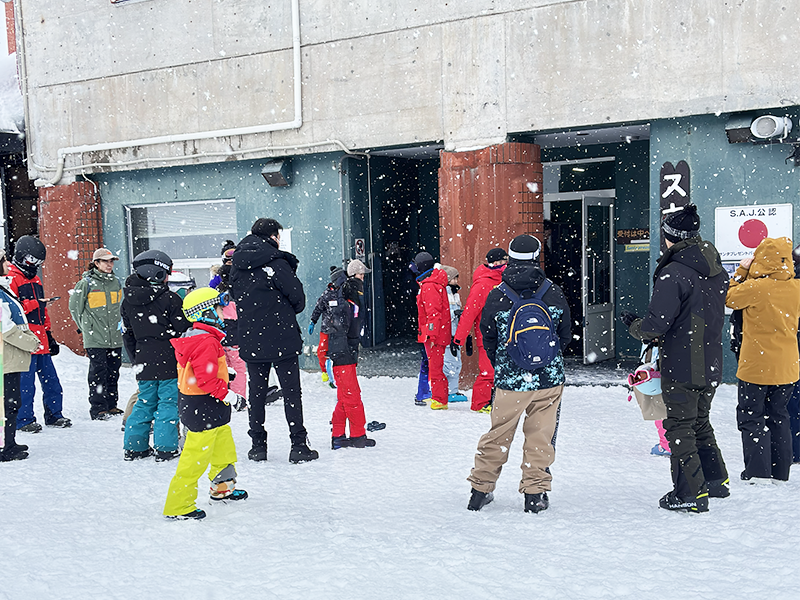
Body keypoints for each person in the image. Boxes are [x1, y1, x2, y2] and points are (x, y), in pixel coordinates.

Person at [621, 204, 729, 513]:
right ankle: (715, 481)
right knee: (700, 422)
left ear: (669, 237)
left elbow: (656, 325)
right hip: (710, 360)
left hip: (683, 363)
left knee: (679, 427)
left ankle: (689, 494)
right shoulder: (715, 269)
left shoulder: (674, 273)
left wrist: (635, 325)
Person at [467, 234, 571, 513]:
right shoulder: (553, 291)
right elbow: (565, 335)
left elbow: (488, 337)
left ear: (510, 258)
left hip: (510, 381)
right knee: (540, 435)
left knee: (498, 434)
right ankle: (534, 495)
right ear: (537, 257)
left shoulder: (498, 294)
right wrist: (544, 359)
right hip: (549, 379)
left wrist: (505, 363)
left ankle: (479, 491)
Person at [230, 218, 318, 464]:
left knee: (256, 394)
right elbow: (298, 298)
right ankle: (298, 445)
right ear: (273, 236)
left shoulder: (238, 264)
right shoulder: (277, 263)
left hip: (251, 338)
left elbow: (236, 296)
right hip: (282, 338)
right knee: (291, 393)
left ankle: (258, 445)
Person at [163, 287, 247, 520]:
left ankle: (222, 488)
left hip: (206, 408)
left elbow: (200, 370)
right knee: (194, 460)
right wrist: (232, 397)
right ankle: (179, 506)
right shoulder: (206, 341)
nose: (223, 314)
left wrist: (225, 373)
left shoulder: (197, 336)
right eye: (219, 309)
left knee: (223, 450)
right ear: (206, 312)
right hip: (204, 408)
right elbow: (207, 381)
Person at [725, 237, 800, 482]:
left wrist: (741, 271)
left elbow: (728, 297)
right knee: (779, 417)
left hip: (756, 367)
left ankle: (758, 472)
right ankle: (780, 472)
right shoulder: (796, 288)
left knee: (751, 417)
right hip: (787, 367)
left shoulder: (756, 288)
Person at [121, 249, 189, 461]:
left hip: (143, 359)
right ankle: (165, 448)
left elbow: (127, 334)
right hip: (168, 358)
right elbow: (182, 328)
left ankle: (135, 447)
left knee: (144, 402)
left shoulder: (128, 301)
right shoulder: (170, 299)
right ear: (156, 273)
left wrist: (136, 359)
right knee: (168, 404)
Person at [8, 235, 71, 433]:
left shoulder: (35, 279)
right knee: (26, 384)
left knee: (52, 381)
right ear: (21, 256)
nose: (34, 265)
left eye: (38, 261)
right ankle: (23, 419)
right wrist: (36, 303)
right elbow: (14, 310)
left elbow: (42, 312)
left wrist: (48, 333)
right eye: (31, 260)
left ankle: (54, 414)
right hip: (24, 339)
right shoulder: (11, 278)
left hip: (40, 337)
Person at [68, 247, 125, 421]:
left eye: (111, 261)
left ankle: (111, 404)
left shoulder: (116, 282)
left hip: (114, 336)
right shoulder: (85, 283)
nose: (109, 264)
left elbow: (119, 308)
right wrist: (86, 328)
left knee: (113, 371)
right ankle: (98, 408)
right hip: (95, 337)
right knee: (98, 372)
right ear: (96, 263)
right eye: (105, 261)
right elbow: (74, 308)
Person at [454, 247, 508, 413]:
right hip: (488, 335)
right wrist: (459, 339)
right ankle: (481, 403)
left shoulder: (507, 281)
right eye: (502, 261)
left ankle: (494, 401)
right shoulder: (483, 284)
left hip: (506, 335)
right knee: (488, 372)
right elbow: (469, 313)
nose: (505, 264)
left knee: (500, 371)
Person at [329, 259, 376, 449]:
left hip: (342, 351)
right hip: (344, 352)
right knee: (352, 396)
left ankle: (338, 435)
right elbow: (349, 324)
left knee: (344, 396)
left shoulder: (343, 296)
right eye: (360, 275)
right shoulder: (350, 296)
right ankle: (357, 435)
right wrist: (350, 344)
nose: (362, 278)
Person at [0, 253, 41, 461]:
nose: (8, 263)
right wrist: (30, 342)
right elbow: (7, 330)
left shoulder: (3, 289)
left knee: (11, 403)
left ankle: (9, 442)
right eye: (3, 261)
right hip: (5, 359)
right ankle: (4, 448)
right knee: (7, 405)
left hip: (9, 358)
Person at [414, 252, 451, 411]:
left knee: (435, 367)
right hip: (437, 333)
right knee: (435, 366)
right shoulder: (433, 283)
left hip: (434, 336)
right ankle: (439, 397)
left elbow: (433, 313)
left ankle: (439, 399)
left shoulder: (429, 285)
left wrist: (431, 335)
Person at [309, 266, 347, 388]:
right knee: (322, 352)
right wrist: (313, 321)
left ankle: (336, 376)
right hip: (327, 329)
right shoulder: (327, 295)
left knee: (338, 353)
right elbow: (318, 308)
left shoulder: (345, 293)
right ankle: (326, 372)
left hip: (340, 330)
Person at [441, 265, 467, 403]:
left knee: (456, 363)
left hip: (455, 333)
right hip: (448, 333)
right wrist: (454, 314)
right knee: (449, 364)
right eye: (454, 278)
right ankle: (446, 390)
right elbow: (443, 313)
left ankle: (453, 390)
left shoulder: (454, 293)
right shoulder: (444, 292)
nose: (456, 281)